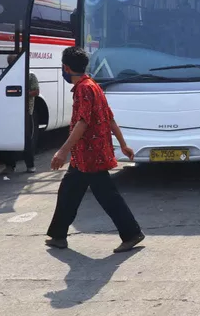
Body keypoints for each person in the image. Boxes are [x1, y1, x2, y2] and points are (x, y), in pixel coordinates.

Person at [46, 46, 145, 253]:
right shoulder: (94, 85)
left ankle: (131, 233)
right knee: (69, 191)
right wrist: (123, 144)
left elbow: (82, 122)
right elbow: (109, 117)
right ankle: (58, 235)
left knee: (106, 195)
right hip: (86, 155)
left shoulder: (84, 89)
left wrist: (62, 151)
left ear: (65, 67)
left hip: (89, 155)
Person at [0, 54, 39, 175]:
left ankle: (30, 165)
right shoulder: (6, 75)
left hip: (25, 112)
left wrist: (21, 92)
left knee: (26, 139)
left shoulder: (30, 75)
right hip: (9, 112)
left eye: (12, 63)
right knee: (8, 138)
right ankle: (10, 166)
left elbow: (36, 91)